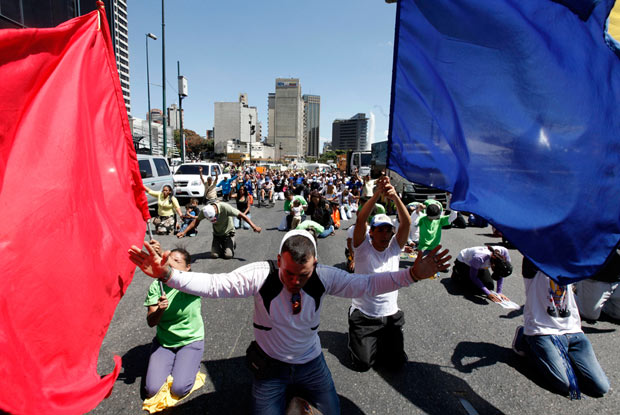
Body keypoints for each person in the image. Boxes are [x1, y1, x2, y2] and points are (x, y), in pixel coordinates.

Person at [129, 229, 452, 414]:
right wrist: (167, 274)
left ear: (316, 264)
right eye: (288, 273)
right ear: (278, 261)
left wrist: (412, 274)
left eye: (303, 274)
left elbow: (367, 284)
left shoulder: (325, 277)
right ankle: (293, 400)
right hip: (270, 367)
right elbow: (215, 286)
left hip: (312, 363)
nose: (295, 281)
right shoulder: (260, 274)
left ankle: (298, 399)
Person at [512, 257, 609, 399]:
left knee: (601, 387)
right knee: (565, 384)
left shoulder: (569, 265)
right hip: (543, 331)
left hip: (573, 332)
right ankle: (524, 339)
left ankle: (562, 357)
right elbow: (529, 243)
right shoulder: (534, 267)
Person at [349, 177, 412, 371]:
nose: (385, 235)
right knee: (363, 364)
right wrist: (377, 193)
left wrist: (394, 197)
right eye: (381, 230)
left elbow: (406, 223)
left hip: (390, 315)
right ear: (371, 233)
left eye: (388, 231)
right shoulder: (362, 248)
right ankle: (356, 338)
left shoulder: (394, 248)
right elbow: (361, 219)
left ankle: (381, 340)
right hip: (365, 316)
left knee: (397, 363)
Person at [143, 241, 204, 401]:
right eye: (170, 260)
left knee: (179, 389)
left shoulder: (192, 282)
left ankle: (192, 362)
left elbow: (175, 274)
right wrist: (160, 309)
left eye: (177, 261)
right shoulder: (157, 286)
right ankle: (168, 360)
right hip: (165, 342)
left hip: (190, 341)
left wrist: (162, 253)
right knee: (152, 390)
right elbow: (151, 322)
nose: (172, 264)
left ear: (188, 267)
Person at [176, 201, 261, 259]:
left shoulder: (225, 207)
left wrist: (254, 226)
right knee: (214, 255)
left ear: (216, 210)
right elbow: (196, 221)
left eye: (214, 217)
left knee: (228, 256)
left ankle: (231, 241)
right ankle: (222, 244)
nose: (214, 219)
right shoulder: (204, 210)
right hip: (217, 234)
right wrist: (184, 232)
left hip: (228, 233)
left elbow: (242, 215)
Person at [575, 249, 620, 321]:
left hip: (617, 278)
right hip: (596, 277)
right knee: (590, 315)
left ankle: (605, 302)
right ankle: (573, 295)